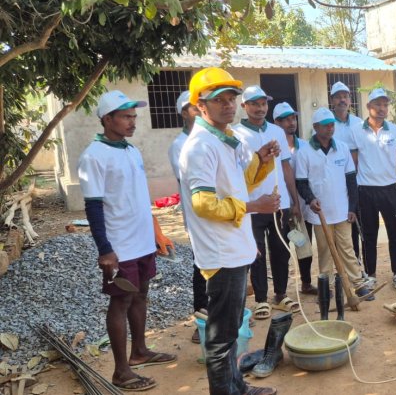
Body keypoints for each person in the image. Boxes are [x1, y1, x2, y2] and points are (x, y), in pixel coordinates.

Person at [179, 67, 280, 395]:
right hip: (220, 253)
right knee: (221, 339)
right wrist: (255, 207)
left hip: (236, 247)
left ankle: (238, 388)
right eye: (218, 100)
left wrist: (261, 160)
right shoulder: (200, 147)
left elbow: (239, 183)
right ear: (200, 106)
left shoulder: (228, 139)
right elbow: (204, 204)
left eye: (231, 98)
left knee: (233, 330)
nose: (228, 105)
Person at [79, 90, 177, 391]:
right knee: (120, 301)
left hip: (142, 240)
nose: (132, 122)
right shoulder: (93, 156)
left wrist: (154, 235)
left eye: (134, 116)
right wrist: (105, 249)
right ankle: (121, 371)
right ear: (107, 119)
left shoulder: (130, 150)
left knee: (142, 294)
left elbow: (134, 197)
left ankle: (140, 352)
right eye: (125, 117)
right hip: (119, 245)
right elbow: (93, 206)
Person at [232, 86, 302, 320]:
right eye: (254, 104)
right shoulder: (236, 134)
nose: (260, 108)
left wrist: (294, 199)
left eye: (263, 103)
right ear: (244, 106)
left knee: (281, 249)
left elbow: (285, 166)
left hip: (278, 202)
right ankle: (261, 299)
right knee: (256, 252)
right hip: (253, 203)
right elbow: (237, 171)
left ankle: (281, 294)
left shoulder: (276, 131)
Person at [296, 108, 372, 299]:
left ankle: (357, 284)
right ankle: (326, 287)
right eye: (326, 125)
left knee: (347, 248)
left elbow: (351, 180)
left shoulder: (343, 148)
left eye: (332, 124)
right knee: (325, 251)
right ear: (315, 127)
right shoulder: (305, 152)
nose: (330, 128)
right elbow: (301, 182)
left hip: (342, 210)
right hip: (319, 212)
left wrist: (352, 207)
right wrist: (310, 199)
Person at [348, 88, 396, 288]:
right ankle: (371, 273)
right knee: (368, 234)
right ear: (369, 107)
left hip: (390, 188)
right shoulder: (356, 131)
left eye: (385, 105)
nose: (382, 109)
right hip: (365, 189)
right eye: (378, 105)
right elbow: (354, 163)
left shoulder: (394, 130)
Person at [167, 90, 210, 343]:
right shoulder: (179, 146)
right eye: (195, 107)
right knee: (201, 267)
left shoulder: (209, 138)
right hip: (197, 216)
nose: (200, 111)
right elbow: (190, 181)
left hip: (217, 215)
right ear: (185, 113)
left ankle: (222, 316)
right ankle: (202, 322)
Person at [272, 102, 318, 295]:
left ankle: (306, 283)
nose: (291, 123)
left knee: (304, 246)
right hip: (280, 205)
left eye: (293, 118)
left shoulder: (305, 146)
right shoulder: (273, 147)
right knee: (280, 249)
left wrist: (302, 202)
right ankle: (280, 292)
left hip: (301, 206)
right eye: (286, 120)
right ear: (277, 123)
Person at [329, 81, 363, 261]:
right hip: (335, 185)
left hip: (356, 183)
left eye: (345, 96)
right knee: (337, 227)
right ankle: (339, 269)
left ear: (350, 100)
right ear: (332, 100)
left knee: (355, 225)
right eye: (338, 97)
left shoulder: (359, 124)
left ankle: (355, 265)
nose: (342, 100)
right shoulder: (327, 124)